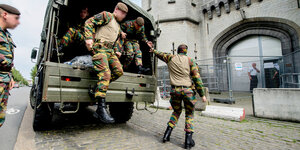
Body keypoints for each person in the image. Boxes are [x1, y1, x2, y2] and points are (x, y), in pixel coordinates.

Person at [149, 43, 206, 149]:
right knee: (189, 114)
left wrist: (153, 50)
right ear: (186, 51)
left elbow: (161, 54)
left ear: (178, 50)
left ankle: (166, 135)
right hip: (188, 91)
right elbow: (197, 79)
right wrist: (202, 94)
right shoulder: (190, 60)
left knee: (176, 111)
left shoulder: (171, 58)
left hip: (175, 91)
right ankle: (188, 142)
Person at [84, 2, 128, 123]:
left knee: (119, 71)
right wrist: (88, 38)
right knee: (106, 74)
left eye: (125, 14)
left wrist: (118, 50)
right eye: (122, 13)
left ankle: (98, 88)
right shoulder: (107, 16)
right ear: (116, 10)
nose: (124, 16)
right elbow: (89, 22)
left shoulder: (117, 26)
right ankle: (100, 110)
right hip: (100, 49)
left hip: (110, 51)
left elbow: (116, 40)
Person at [0, 4, 20, 127]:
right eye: (16, 18)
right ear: (5, 15)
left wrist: (10, 76)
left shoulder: (6, 35)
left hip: (4, 79)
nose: (18, 22)